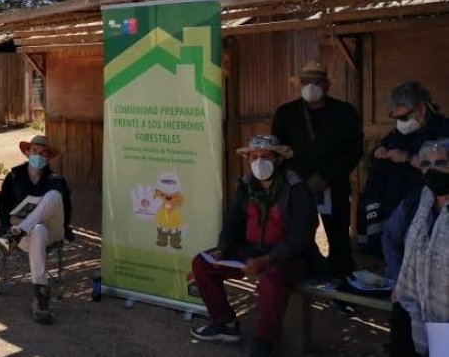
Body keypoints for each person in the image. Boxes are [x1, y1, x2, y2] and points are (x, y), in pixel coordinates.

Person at [190, 135, 317, 357]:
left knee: (271, 281)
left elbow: (301, 237)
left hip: (287, 256)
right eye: (254, 157)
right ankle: (224, 323)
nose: (259, 162)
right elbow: (234, 221)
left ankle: (264, 341)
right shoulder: (246, 185)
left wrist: (266, 260)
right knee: (202, 263)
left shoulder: (297, 188)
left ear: (278, 159)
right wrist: (222, 247)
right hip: (251, 249)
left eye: (265, 157)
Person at [271, 61, 363, 282]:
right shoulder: (285, 113)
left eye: (316, 82)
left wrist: (326, 177)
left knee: (338, 236)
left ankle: (342, 286)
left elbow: (353, 150)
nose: (311, 86)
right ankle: (306, 277)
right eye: (305, 82)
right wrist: (305, 176)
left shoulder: (344, 112)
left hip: (334, 185)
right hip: (296, 186)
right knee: (298, 235)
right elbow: (279, 149)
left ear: (327, 86)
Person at [0, 135, 74, 325]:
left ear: (48, 158)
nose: (39, 155)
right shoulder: (13, 177)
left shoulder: (56, 180)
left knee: (52, 196)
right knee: (37, 229)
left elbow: (65, 212)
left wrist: (22, 223)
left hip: (53, 232)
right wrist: (15, 221)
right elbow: (5, 213)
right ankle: (40, 297)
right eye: (35, 151)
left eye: (43, 153)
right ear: (27, 152)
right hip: (29, 235)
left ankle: (15, 235)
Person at [365, 81, 448, 275]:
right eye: (395, 117)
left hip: (434, 205)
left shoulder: (444, 131)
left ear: (420, 109)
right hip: (402, 207)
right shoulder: (399, 132)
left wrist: (408, 158)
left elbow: (440, 167)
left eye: (403, 117)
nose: (400, 122)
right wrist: (380, 152)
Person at [389, 139, 449, 357]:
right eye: (426, 165)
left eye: (441, 164)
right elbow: (390, 237)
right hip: (411, 305)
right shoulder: (418, 200)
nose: (432, 170)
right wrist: (397, 277)